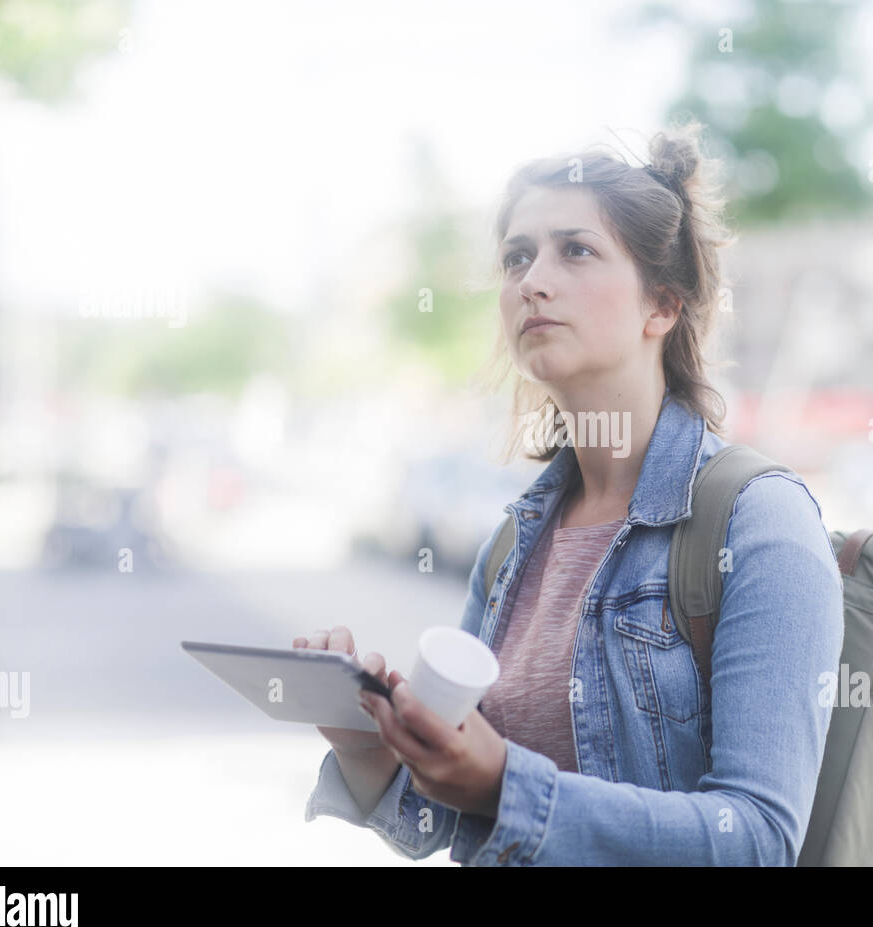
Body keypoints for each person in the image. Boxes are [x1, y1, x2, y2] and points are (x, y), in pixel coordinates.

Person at [297, 121, 844, 865]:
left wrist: (507, 785)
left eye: (575, 250)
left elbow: (757, 840)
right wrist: (370, 747)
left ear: (663, 307)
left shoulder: (758, 522)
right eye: (516, 257)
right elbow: (447, 825)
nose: (532, 281)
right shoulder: (511, 545)